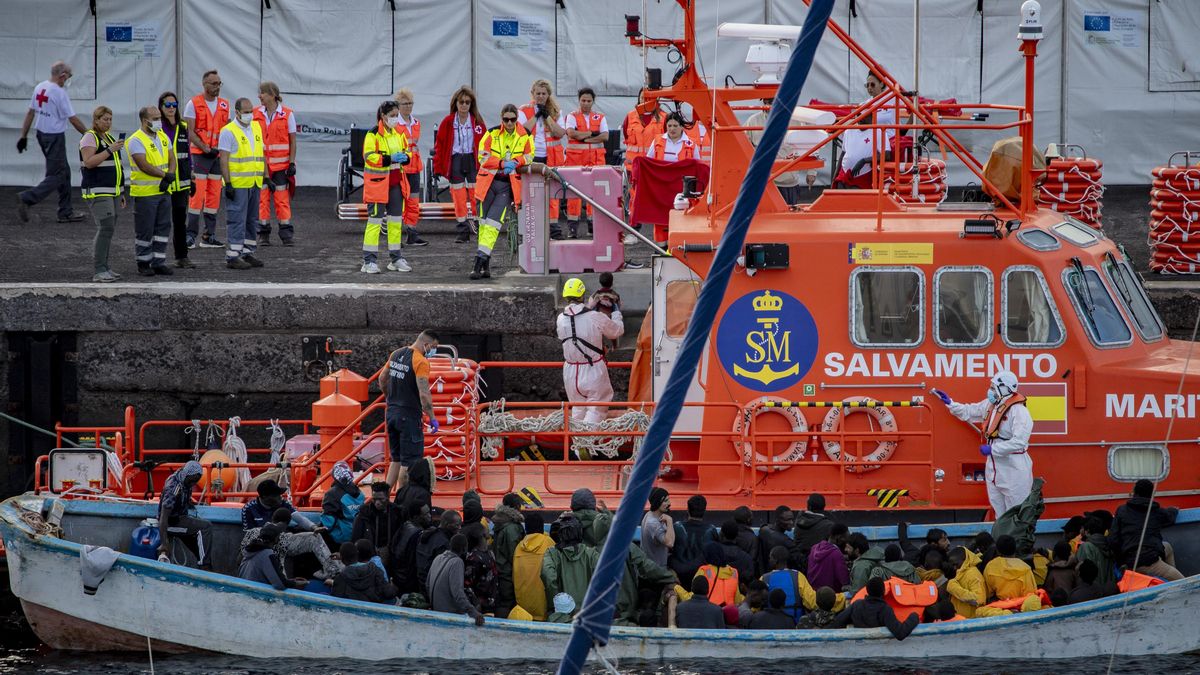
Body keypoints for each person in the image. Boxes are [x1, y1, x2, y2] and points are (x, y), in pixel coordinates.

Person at [936, 370, 1034, 518]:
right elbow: (969, 411)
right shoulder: (990, 405)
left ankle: (1016, 540)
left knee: (1017, 513)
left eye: (994, 387)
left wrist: (993, 449)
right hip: (994, 467)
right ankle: (1001, 537)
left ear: (1005, 388)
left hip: (1013, 467)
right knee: (999, 512)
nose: (990, 390)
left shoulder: (1019, 412)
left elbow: (1019, 442)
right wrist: (951, 403)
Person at [16, 61, 87, 224]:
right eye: (69, 76)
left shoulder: (40, 87)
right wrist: (90, 135)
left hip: (42, 134)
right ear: (62, 76)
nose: (69, 79)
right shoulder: (59, 93)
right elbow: (73, 119)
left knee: (64, 171)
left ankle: (66, 211)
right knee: (57, 175)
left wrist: (23, 136)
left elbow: (30, 112)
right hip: (54, 137)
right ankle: (27, 198)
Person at [470, 103, 533, 280]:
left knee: (493, 224)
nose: (509, 123)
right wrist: (502, 163)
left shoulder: (525, 136)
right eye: (506, 119)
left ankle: (478, 261)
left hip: (506, 186)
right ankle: (485, 265)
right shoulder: (491, 133)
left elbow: (529, 155)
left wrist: (517, 161)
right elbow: (482, 156)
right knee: (483, 225)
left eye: (513, 119)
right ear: (501, 119)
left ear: (517, 119)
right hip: (488, 184)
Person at [556, 277, 625, 426]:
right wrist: (616, 312)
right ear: (582, 295)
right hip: (593, 369)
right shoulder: (594, 317)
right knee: (597, 409)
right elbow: (616, 331)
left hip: (570, 372)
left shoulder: (560, 319)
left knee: (578, 409)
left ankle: (576, 445)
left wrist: (590, 306)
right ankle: (583, 441)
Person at [379, 331, 438, 489]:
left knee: (396, 459)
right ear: (426, 344)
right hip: (409, 416)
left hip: (391, 413)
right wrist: (432, 417)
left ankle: (383, 496)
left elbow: (382, 378)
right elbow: (424, 395)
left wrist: (389, 398)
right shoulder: (421, 362)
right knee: (408, 462)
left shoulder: (396, 354)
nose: (433, 351)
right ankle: (401, 499)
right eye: (433, 347)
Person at [125, 105, 178, 277]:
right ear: (144, 120)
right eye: (154, 119)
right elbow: (143, 165)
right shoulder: (136, 140)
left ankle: (158, 261)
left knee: (163, 227)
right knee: (145, 229)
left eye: (159, 118)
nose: (158, 121)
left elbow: (172, 158)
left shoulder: (163, 136)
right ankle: (143, 262)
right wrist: (165, 176)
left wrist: (169, 175)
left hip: (163, 191)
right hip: (145, 193)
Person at [361, 100, 413, 274]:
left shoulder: (399, 133)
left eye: (396, 115)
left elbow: (409, 151)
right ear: (383, 116)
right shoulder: (373, 134)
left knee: (395, 222)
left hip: (396, 184)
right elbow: (369, 157)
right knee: (375, 222)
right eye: (392, 116)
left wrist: (405, 157)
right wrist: (390, 158)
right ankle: (369, 261)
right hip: (378, 185)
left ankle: (396, 258)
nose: (395, 118)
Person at [217, 97, 267, 270]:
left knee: (251, 219)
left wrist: (265, 176)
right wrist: (228, 183)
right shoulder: (228, 131)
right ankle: (233, 256)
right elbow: (223, 159)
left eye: (250, 111)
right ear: (236, 112)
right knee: (237, 219)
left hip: (254, 182)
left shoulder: (256, 127)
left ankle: (247, 252)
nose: (249, 115)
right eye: (245, 112)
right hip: (237, 184)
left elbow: (260, 153)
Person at [434, 85, 487, 243]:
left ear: (471, 104)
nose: (464, 105)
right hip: (455, 159)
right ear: (455, 103)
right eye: (461, 102)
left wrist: (485, 164)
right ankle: (462, 229)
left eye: (467, 102)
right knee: (458, 196)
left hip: (472, 159)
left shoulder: (477, 121)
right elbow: (440, 146)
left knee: (476, 194)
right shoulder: (448, 121)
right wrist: (437, 167)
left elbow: (485, 144)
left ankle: (478, 225)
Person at [78, 105, 124, 282]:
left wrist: (121, 192)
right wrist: (109, 150)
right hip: (97, 191)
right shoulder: (90, 137)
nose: (108, 122)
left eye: (110, 119)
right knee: (105, 227)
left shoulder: (109, 137)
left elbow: (117, 168)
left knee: (109, 229)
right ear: (96, 120)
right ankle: (99, 270)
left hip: (111, 191)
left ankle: (105, 267)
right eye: (105, 119)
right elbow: (89, 162)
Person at [184, 70, 229, 248]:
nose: (217, 87)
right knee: (196, 197)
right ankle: (190, 235)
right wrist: (205, 148)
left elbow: (226, 131)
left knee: (214, 197)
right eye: (213, 83)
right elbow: (190, 131)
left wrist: (221, 152)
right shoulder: (193, 103)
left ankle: (208, 236)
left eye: (219, 83)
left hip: (216, 156)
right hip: (200, 155)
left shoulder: (225, 105)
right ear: (204, 84)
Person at [517, 79, 568, 238]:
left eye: (543, 93)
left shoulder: (556, 111)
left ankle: (553, 227)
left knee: (552, 192)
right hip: (531, 156)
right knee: (531, 192)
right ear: (532, 94)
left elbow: (560, 133)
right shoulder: (523, 110)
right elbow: (522, 131)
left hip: (551, 156)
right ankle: (532, 227)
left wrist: (547, 117)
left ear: (548, 95)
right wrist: (536, 115)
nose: (540, 96)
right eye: (537, 93)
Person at [1107, 479, 1182, 581]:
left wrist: (1122, 561)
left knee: (1167, 547)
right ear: (1151, 494)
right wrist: (1174, 510)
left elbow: (1113, 540)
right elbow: (1169, 517)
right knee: (1182, 581)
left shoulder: (1122, 510)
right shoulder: (1155, 511)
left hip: (1129, 559)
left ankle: (1166, 577)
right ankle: (1171, 582)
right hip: (1148, 561)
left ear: (1135, 492)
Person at [241, 506, 342, 581]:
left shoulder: (251, 533)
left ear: (273, 518)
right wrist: (292, 582)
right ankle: (333, 572)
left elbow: (240, 556)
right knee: (314, 537)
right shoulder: (280, 540)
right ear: (287, 523)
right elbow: (280, 583)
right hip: (269, 581)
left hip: (246, 577)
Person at [836, 71, 898, 188]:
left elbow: (912, 106)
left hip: (888, 141)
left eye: (873, 85)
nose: (869, 88)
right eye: (867, 85)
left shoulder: (892, 101)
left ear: (882, 84)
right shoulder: (864, 105)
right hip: (870, 140)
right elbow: (857, 122)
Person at [253, 81, 296, 247]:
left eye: (262, 93)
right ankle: (263, 234)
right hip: (261, 166)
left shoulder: (287, 114)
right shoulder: (255, 113)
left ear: (272, 94)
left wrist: (291, 163)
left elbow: (293, 141)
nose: (259, 96)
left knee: (281, 200)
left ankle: (286, 234)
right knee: (262, 200)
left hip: (280, 167)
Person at [563, 87, 609, 238]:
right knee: (573, 195)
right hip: (575, 161)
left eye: (589, 101)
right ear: (579, 101)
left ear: (593, 101)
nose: (586, 103)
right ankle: (572, 229)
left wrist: (585, 138)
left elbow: (605, 136)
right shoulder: (572, 116)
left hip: (595, 161)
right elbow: (571, 133)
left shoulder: (600, 117)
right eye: (583, 100)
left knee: (594, 195)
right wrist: (591, 133)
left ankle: (592, 227)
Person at [157, 92, 195, 270]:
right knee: (161, 222)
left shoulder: (182, 126)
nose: (171, 109)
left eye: (174, 105)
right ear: (161, 107)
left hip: (182, 182)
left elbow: (187, 152)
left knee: (180, 221)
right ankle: (157, 258)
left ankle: (181, 256)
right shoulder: (157, 127)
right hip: (163, 181)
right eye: (167, 105)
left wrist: (192, 177)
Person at [156, 461, 213, 568]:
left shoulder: (183, 478)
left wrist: (188, 502)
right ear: (187, 475)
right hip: (171, 524)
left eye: (196, 481)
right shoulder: (173, 488)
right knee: (206, 527)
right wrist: (164, 543)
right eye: (192, 481)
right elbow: (163, 517)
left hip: (181, 519)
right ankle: (205, 566)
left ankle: (204, 562)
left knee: (199, 550)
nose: (193, 484)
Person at [761, 545, 839, 622]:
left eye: (770, 558)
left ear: (775, 560)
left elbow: (756, 604)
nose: (769, 560)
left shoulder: (764, 578)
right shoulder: (798, 576)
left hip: (769, 623)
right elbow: (811, 602)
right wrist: (842, 598)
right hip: (794, 623)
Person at [392, 88, 427, 247]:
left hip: (414, 167)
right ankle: (395, 236)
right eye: (405, 103)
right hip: (401, 168)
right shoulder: (394, 124)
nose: (408, 106)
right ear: (398, 105)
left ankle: (412, 232)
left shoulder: (416, 122)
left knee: (413, 201)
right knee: (398, 202)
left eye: (410, 103)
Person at [541, 514, 599, 611]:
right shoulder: (591, 554)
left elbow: (548, 576)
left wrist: (556, 604)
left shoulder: (552, 553)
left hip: (562, 613)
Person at [831, 576, 920, 640]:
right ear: (883, 591)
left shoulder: (856, 605)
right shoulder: (885, 609)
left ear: (867, 590)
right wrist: (914, 616)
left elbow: (838, 622)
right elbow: (900, 633)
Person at [978, 534, 1040, 615]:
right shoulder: (1026, 568)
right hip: (1022, 609)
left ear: (997, 551)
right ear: (1015, 549)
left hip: (1001, 610)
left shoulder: (991, 566)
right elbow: (1032, 595)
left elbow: (988, 595)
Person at [239, 523, 306, 590]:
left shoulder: (249, 551)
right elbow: (280, 585)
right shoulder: (267, 554)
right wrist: (296, 583)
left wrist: (291, 581)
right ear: (276, 538)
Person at [512, 512, 554, 620]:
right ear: (542, 527)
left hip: (523, 607)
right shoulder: (548, 542)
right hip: (544, 604)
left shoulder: (519, 547)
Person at [351, 481, 404, 563]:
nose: (377, 503)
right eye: (374, 499)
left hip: (392, 553)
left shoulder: (396, 512)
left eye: (381, 499)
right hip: (370, 556)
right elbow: (355, 536)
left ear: (387, 497)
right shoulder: (364, 513)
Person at [669, 495, 717, 582]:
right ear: (704, 510)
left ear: (687, 509)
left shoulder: (676, 526)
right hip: (702, 577)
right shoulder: (711, 530)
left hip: (679, 575)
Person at [491, 495, 525, 616]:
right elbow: (514, 553)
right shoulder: (512, 528)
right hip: (508, 573)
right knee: (507, 603)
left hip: (499, 568)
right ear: (516, 507)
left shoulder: (499, 522)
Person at [332, 542, 397, 604]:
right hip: (373, 609)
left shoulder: (340, 578)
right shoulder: (375, 569)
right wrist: (393, 586)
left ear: (342, 559)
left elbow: (336, 601)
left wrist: (333, 583)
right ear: (357, 553)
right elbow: (388, 593)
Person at [320, 461, 364, 545]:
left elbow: (328, 522)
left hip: (341, 536)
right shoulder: (360, 493)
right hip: (357, 533)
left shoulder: (331, 493)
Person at [417, 509, 462, 590]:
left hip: (421, 581)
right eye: (457, 525)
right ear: (447, 525)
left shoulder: (429, 534)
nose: (460, 528)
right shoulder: (443, 543)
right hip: (433, 586)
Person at [391, 501, 431, 595]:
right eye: (426, 514)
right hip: (408, 582)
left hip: (399, 577)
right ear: (416, 517)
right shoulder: (417, 535)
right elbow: (413, 563)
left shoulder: (404, 526)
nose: (430, 516)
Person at [695, 542, 742, 607]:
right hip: (729, 613)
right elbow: (737, 600)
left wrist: (676, 587)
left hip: (709, 612)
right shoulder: (733, 572)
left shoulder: (704, 570)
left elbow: (693, 598)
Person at [463, 530, 499, 615]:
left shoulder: (489, 552)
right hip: (481, 605)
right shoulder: (474, 558)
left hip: (492, 601)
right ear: (480, 537)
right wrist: (476, 603)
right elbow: (468, 583)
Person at [806, 523, 850, 592]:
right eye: (845, 538)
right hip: (830, 595)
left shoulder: (814, 548)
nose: (847, 542)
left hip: (812, 593)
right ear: (838, 537)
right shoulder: (836, 554)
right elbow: (845, 580)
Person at [1075, 516, 1116, 587]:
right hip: (1110, 590)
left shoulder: (1086, 547)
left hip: (1093, 591)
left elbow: (1082, 574)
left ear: (1087, 532)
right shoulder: (1110, 544)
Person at [639, 487, 675, 567]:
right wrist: (669, 521)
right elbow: (670, 543)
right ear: (656, 503)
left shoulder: (649, 514)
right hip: (656, 570)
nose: (669, 503)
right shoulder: (653, 523)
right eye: (665, 501)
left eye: (668, 499)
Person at [757, 506, 796, 573]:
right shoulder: (786, 541)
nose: (791, 522)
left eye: (792, 519)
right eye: (787, 520)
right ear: (778, 520)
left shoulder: (763, 530)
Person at [731, 506, 761, 575]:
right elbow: (752, 561)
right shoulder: (753, 538)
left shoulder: (726, 534)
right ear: (748, 520)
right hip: (744, 576)